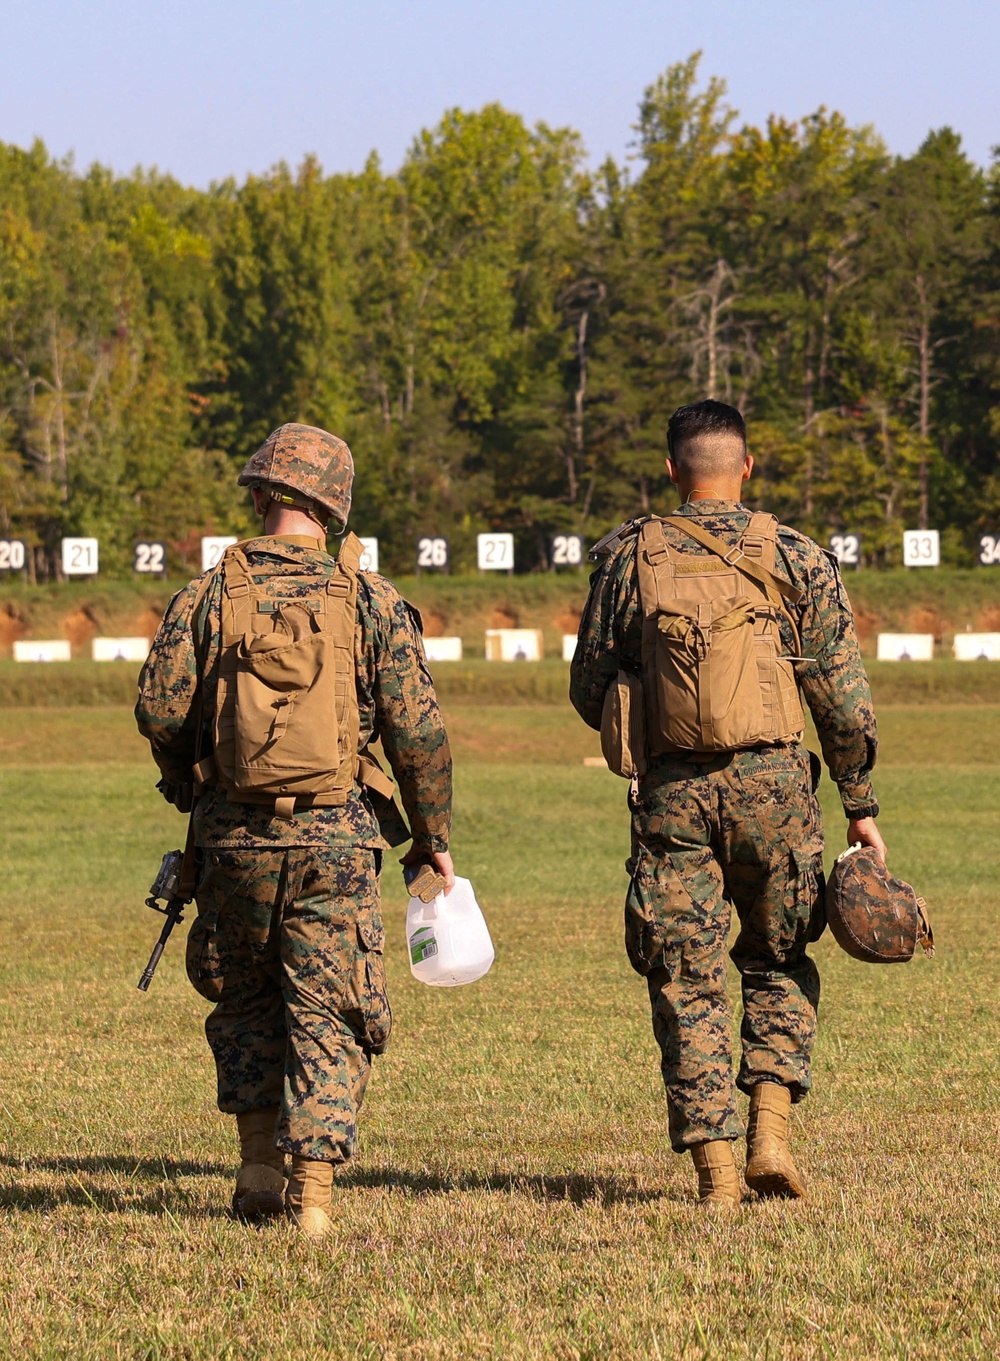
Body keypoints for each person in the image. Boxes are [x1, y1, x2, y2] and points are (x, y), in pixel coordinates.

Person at [136, 422, 453, 1238]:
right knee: (329, 1007)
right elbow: (419, 733)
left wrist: (190, 787)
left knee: (245, 998)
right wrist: (432, 834)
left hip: (232, 840)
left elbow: (159, 708)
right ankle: (312, 1198)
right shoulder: (370, 599)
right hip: (337, 841)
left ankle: (255, 1167)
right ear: (334, 509)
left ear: (259, 496)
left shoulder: (207, 595)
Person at [570, 400, 883, 1209]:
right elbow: (842, 699)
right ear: (747, 467)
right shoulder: (793, 556)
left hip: (674, 792)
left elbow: (588, 687)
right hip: (775, 788)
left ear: (672, 469)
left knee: (687, 975)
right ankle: (770, 1134)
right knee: (778, 957)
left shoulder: (628, 557)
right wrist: (859, 799)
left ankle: (714, 1175)